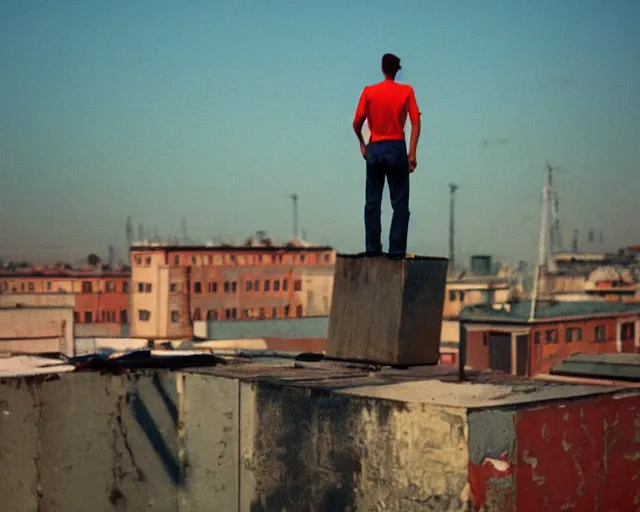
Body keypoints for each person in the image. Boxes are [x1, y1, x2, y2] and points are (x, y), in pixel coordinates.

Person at [353, 53, 421, 257]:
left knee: (372, 201)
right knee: (400, 202)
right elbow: (416, 121)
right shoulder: (406, 91)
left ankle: (373, 248)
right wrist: (412, 153)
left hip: (375, 147)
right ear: (397, 70)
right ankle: (397, 250)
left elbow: (357, 122)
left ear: (382, 69)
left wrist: (362, 145)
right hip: (396, 147)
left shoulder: (369, 91)